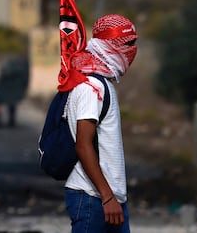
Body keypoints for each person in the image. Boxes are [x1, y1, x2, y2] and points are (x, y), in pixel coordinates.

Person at [62, 13, 138, 233]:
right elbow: (83, 145)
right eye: (127, 43)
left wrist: (113, 197)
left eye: (134, 43)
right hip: (93, 199)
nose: (132, 50)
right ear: (107, 45)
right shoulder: (90, 87)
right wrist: (107, 198)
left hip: (111, 198)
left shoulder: (103, 83)